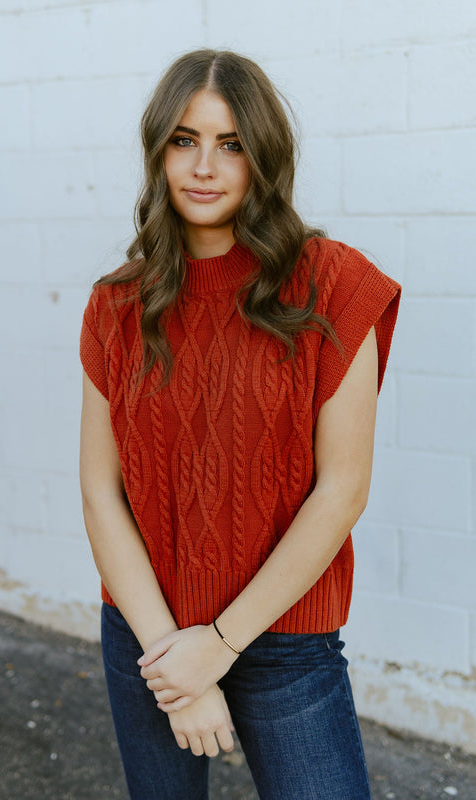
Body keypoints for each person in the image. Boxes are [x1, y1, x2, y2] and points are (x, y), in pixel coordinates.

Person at [79, 49, 401, 800]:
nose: (203, 166)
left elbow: (341, 491)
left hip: (284, 640)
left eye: (230, 145)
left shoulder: (334, 283)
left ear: (264, 156)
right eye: (184, 140)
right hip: (146, 632)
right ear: (158, 149)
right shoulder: (117, 304)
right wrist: (174, 660)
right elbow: (100, 491)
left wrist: (216, 649)